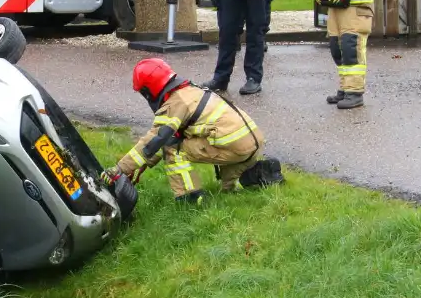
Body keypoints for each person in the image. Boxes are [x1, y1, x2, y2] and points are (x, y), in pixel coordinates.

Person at [100, 58, 284, 204]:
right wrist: (143, 165)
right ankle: (257, 174)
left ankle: (190, 198)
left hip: (233, 146)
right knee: (229, 187)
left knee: (173, 149)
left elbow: (155, 142)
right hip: (251, 142)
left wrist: (118, 170)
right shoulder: (191, 89)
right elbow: (168, 137)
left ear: (149, 90)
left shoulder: (174, 103)